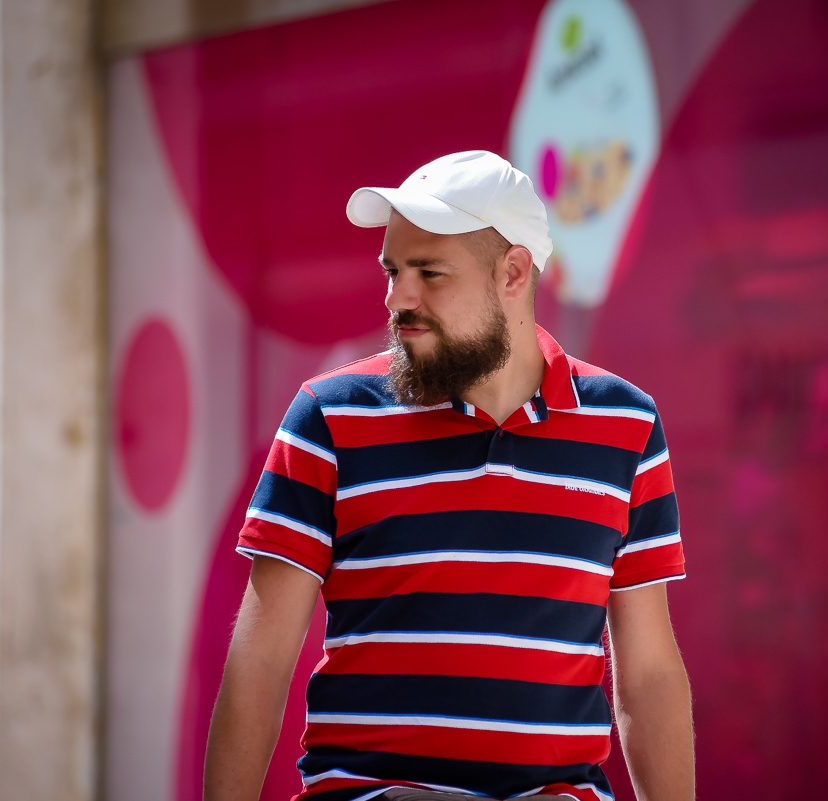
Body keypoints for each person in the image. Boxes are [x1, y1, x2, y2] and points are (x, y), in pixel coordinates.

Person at [204, 151, 694, 801]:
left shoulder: (625, 424)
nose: (396, 298)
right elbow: (259, 662)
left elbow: (649, 673)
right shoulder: (329, 415)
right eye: (393, 271)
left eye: (429, 273)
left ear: (512, 272)